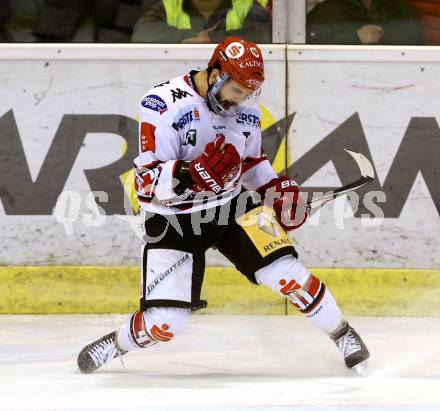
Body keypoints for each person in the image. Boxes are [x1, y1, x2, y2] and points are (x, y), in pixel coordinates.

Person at [77, 36, 370, 374]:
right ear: (216, 73)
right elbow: (144, 184)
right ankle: (115, 344)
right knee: (166, 323)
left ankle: (342, 333)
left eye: (248, 93)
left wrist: (276, 190)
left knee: (287, 275)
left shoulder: (246, 110)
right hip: (173, 218)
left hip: (232, 206)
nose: (241, 100)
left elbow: (250, 162)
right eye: (236, 91)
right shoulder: (161, 104)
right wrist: (189, 175)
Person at [131, 0, 272, 44]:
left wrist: (212, 38)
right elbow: (142, 34)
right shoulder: (170, 5)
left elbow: (264, 37)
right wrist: (193, 37)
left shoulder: (246, 4)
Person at [307, 0, 422, 45]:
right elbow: (305, 58)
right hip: (342, 89)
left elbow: (418, 54)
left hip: (396, 87)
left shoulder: (401, 8)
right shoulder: (326, 11)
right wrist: (355, 39)